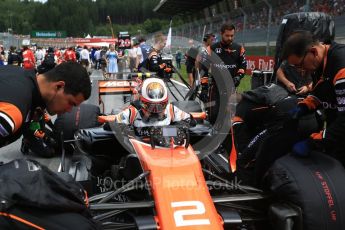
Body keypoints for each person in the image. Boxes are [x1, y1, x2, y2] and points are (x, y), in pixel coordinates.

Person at [284, 31, 345, 162]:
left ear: (314, 52)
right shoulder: (319, 63)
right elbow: (322, 91)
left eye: (300, 65)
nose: (301, 71)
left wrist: (314, 142)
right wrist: (305, 106)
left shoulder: (341, 68)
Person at [0, 62, 91, 148]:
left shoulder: (18, 73)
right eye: (71, 103)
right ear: (58, 86)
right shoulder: (15, 109)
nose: (69, 110)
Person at [114, 78, 191, 127]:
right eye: (151, 106)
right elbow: (112, 125)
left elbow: (190, 120)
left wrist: (178, 127)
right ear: (142, 102)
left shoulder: (170, 109)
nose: (155, 109)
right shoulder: (133, 111)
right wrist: (123, 128)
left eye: (160, 105)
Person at [211, 24, 247, 88]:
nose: (230, 38)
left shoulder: (239, 48)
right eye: (227, 36)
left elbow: (243, 65)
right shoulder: (212, 48)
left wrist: (238, 77)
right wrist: (204, 88)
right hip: (214, 87)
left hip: (231, 87)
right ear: (221, 34)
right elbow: (204, 68)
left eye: (232, 36)